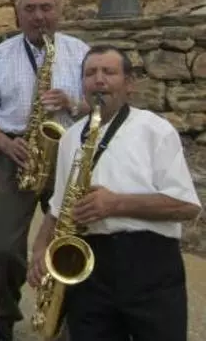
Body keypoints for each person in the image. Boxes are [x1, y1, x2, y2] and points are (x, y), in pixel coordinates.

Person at [27, 45, 202, 341]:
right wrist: (40, 248)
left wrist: (116, 204)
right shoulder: (70, 137)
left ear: (129, 84)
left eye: (108, 72)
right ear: (82, 84)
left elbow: (186, 206)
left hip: (149, 262)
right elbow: (58, 207)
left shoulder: (155, 130)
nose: (98, 80)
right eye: (90, 73)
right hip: (88, 265)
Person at [0, 0, 91, 341]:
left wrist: (73, 103)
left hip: (68, 156)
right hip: (17, 156)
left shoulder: (81, 52)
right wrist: (7, 145)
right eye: (30, 9)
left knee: (69, 242)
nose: (39, 16)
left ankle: (64, 318)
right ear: (18, 14)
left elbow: (102, 106)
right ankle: (7, 311)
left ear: (60, 11)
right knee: (5, 249)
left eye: (46, 8)